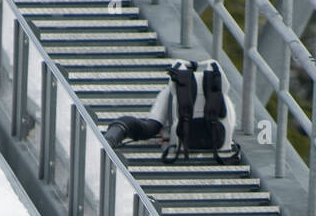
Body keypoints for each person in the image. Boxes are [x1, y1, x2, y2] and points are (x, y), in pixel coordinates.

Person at [103, 58, 241, 163]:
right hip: (221, 148)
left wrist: (114, 135)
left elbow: (150, 127)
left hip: (179, 148)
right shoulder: (223, 97)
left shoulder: (169, 93)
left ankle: (109, 139)